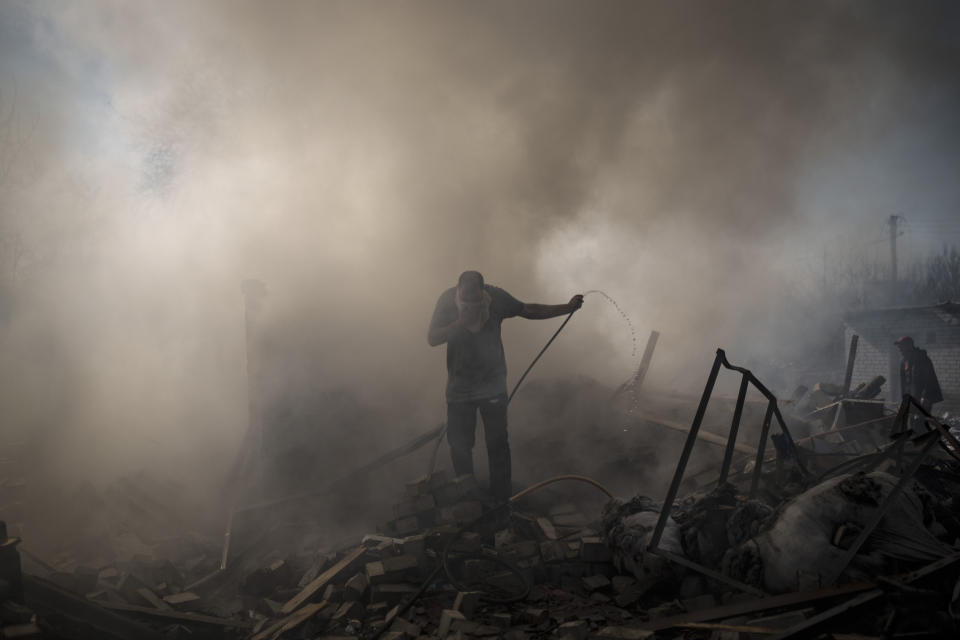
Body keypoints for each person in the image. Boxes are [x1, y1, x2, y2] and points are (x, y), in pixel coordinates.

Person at [428, 271, 583, 502]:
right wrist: (460, 323)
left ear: (483, 291)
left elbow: (528, 310)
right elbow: (433, 338)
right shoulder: (447, 301)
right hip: (459, 390)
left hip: (493, 387)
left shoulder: (496, 298)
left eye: (475, 298)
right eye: (466, 298)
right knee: (460, 446)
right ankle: (467, 500)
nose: (471, 303)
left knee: (498, 444)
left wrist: (566, 308)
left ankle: (501, 500)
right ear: (458, 290)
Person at [895, 336, 943, 428]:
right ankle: (919, 440)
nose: (899, 349)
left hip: (923, 398)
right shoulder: (904, 361)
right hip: (912, 398)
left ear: (909, 346)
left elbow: (929, 378)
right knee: (913, 422)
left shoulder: (921, 358)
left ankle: (928, 441)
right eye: (899, 347)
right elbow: (904, 383)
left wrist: (925, 396)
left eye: (901, 346)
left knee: (920, 423)